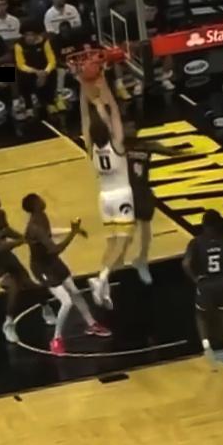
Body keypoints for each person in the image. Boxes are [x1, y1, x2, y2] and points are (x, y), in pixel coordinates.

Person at [22, 193, 111, 355]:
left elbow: (49, 233)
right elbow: (56, 249)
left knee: (75, 292)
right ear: (34, 206)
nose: (43, 200)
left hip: (52, 262)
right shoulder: (34, 228)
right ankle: (56, 339)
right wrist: (73, 233)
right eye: (39, 200)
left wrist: (71, 230)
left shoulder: (42, 217)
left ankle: (91, 324)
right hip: (42, 268)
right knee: (67, 302)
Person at [0, 188, 55, 343]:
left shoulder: (0, 214)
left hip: (6, 257)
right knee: (13, 287)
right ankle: (8, 324)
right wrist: (20, 242)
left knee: (29, 283)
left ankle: (46, 309)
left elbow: (6, 230)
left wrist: (24, 237)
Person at [124, 118, 188, 284]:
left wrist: (186, 152)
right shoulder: (116, 145)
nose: (132, 130)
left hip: (142, 190)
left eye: (133, 127)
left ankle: (142, 259)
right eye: (128, 126)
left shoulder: (146, 145)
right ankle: (113, 265)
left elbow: (169, 151)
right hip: (124, 192)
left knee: (145, 227)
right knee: (127, 231)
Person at [182, 210, 223, 366]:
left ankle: (207, 347)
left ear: (203, 225)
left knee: (201, 315)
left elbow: (186, 264)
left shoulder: (196, 242)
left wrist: (195, 279)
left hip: (206, 283)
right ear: (219, 224)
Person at [85, 116, 133, 310]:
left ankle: (103, 287)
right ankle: (101, 278)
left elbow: (85, 120)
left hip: (104, 197)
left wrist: (84, 100)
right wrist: (108, 103)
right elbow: (114, 117)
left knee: (112, 244)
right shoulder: (116, 145)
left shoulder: (91, 148)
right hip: (121, 196)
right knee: (122, 244)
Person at [13, 26, 58, 120]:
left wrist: (45, 72)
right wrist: (36, 72)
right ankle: (28, 106)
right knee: (19, 74)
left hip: (43, 70)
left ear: (37, 35)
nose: (29, 37)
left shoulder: (45, 42)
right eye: (27, 35)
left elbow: (52, 61)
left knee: (53, 71)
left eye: (32, 35)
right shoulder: (18, 44)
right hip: (28, 71)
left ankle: (50, 102)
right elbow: (20, 64)